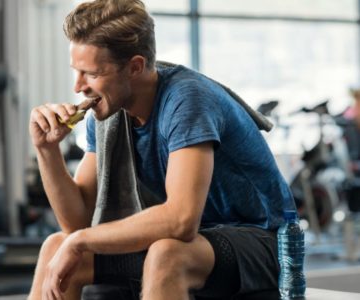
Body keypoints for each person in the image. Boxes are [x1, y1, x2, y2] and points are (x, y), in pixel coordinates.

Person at [28, 0, 296, 299]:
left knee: (168, 254)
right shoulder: (107, 113)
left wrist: (80, 240)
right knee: (56, 246)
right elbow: (76, 222)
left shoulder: (187, 100)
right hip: (197, 240)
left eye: (91, 74)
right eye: (76, 72)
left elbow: (181, 220)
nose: (78, 87)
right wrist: (47, 150)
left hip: (266, 242)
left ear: (135, 67)